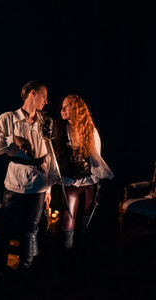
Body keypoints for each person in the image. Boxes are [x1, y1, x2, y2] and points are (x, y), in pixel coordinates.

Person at [0, 81, 55, 274]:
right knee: (4, 229)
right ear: (33, 93)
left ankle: (26, 271)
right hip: (14, 184)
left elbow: (50, 156)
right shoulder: (8, 119)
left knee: (31, 231)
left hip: (39, 185)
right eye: (44, 96)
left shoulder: (44, 122)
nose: (46, 102)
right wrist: (11, 139)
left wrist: (49, 189)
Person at [54, 94, 114, 268]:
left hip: (88, 180)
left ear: (76, 109)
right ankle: (67, 254)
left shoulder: (91, 130)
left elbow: (97, 158)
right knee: (68, 216)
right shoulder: (60, 129)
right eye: (62, 106)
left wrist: (100, 179)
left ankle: (81, 252)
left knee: (87, 218)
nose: (62, 110)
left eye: (66, 107)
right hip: (70, 181)